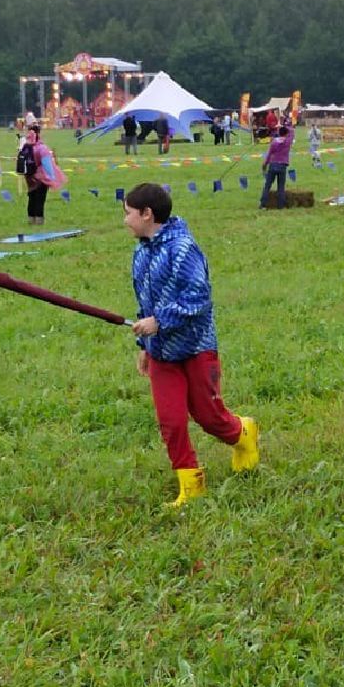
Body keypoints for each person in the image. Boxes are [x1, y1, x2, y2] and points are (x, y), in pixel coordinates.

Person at [124, 182, 258, 506]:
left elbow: (199, 297)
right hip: (161, 354)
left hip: (196, 348)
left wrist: (160, 321)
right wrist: (144, 344)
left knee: (209, 416)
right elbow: (145, 301)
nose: (125, 221)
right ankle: (191, 484)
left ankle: (244, 433)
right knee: (170, 421)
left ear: (147, 214)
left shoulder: (183, 249)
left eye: (128, 214)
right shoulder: (141, 252)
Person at [23, 125, 66, 225]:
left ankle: (31, 220)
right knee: (40, 200)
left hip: (29, 177)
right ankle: (39, 221)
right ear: (39, 133)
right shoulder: (42, 148)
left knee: (31, 198)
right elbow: (47, 164)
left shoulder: (25, 148)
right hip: (41, 178)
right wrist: (52, 177)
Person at [258, 124, 293, 209]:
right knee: (281, 186)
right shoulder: (288, 142)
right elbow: (292, 131)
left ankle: (263, 204)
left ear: (279, 133)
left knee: (267, 185)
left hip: (273, 164)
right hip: (282, 165)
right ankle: (281, 205)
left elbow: (269, 154)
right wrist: (283, 125)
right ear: (286, 133)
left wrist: (265, 164)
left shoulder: (274, 142)